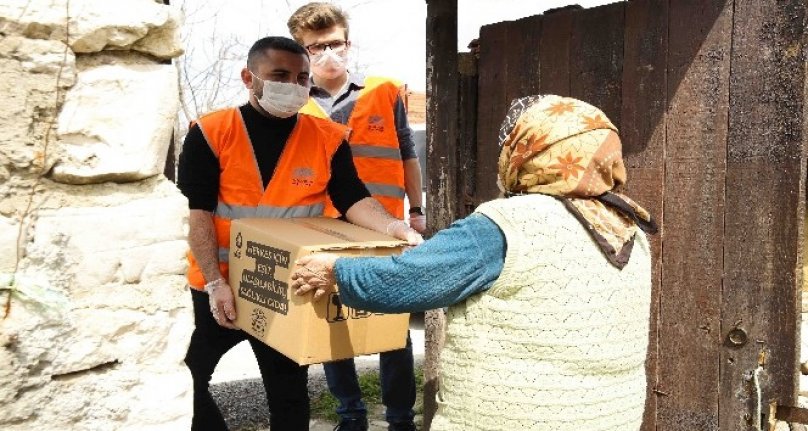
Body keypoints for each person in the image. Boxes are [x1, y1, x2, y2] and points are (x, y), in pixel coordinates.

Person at [291, 95, 658, 431]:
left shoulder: (505, 225)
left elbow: (405, 280)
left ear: (528, 152)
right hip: (610, 416)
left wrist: (335, 270)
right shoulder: (628, 227)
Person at [177, 36, 422, 431]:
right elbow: (197, 212)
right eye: (280, 75)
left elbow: (352, 198)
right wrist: (215, 281)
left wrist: (395, 226)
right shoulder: (211, 132)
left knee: (289, 397)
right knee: (187, 380)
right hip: (217, 287)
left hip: (283, 284)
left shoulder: (325, 137)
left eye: (301, 77)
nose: (293, 85)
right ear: (249, 77)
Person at [286, 4, 423, 431]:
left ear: (349, 43)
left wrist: (416, 211)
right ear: (301, 51)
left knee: (394, 325)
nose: (328, 53)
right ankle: (350, 414)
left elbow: (407, 155)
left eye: (335, 43)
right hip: (323, 225)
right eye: (316, 47)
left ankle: (400, 418)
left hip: (385, 225)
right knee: (332, 321)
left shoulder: (383, 92)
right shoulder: (294, 103)